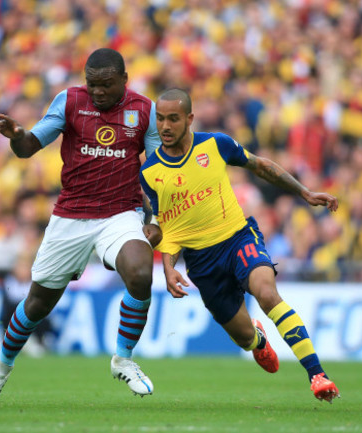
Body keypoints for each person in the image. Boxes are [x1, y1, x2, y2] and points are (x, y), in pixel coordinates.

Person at [0, 48, 163, 407]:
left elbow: (156, 172)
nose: (98, 92)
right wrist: (18, 134)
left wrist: (154, 220)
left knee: (141, 273)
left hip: (119, 214)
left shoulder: (145, 111)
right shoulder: (70, 101)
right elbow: (29, 147)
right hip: (71, 216)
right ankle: (0, 368)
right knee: (37, 305)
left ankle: (123, 359)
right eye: (92, 85)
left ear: (124, 80)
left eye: (106, 85)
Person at [139, 88, 340, 403]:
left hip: (237, 239)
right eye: (160, 119)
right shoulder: (150, 172)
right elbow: (168, 226)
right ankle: (258, 341)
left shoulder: (215, 144)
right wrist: (168, 267)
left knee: (267, 293)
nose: (165, 126)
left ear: (189, 119)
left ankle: (317, 374)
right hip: (201, 263)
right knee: (243, 337)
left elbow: (259, 165)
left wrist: (304, 192)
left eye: (173, 119)